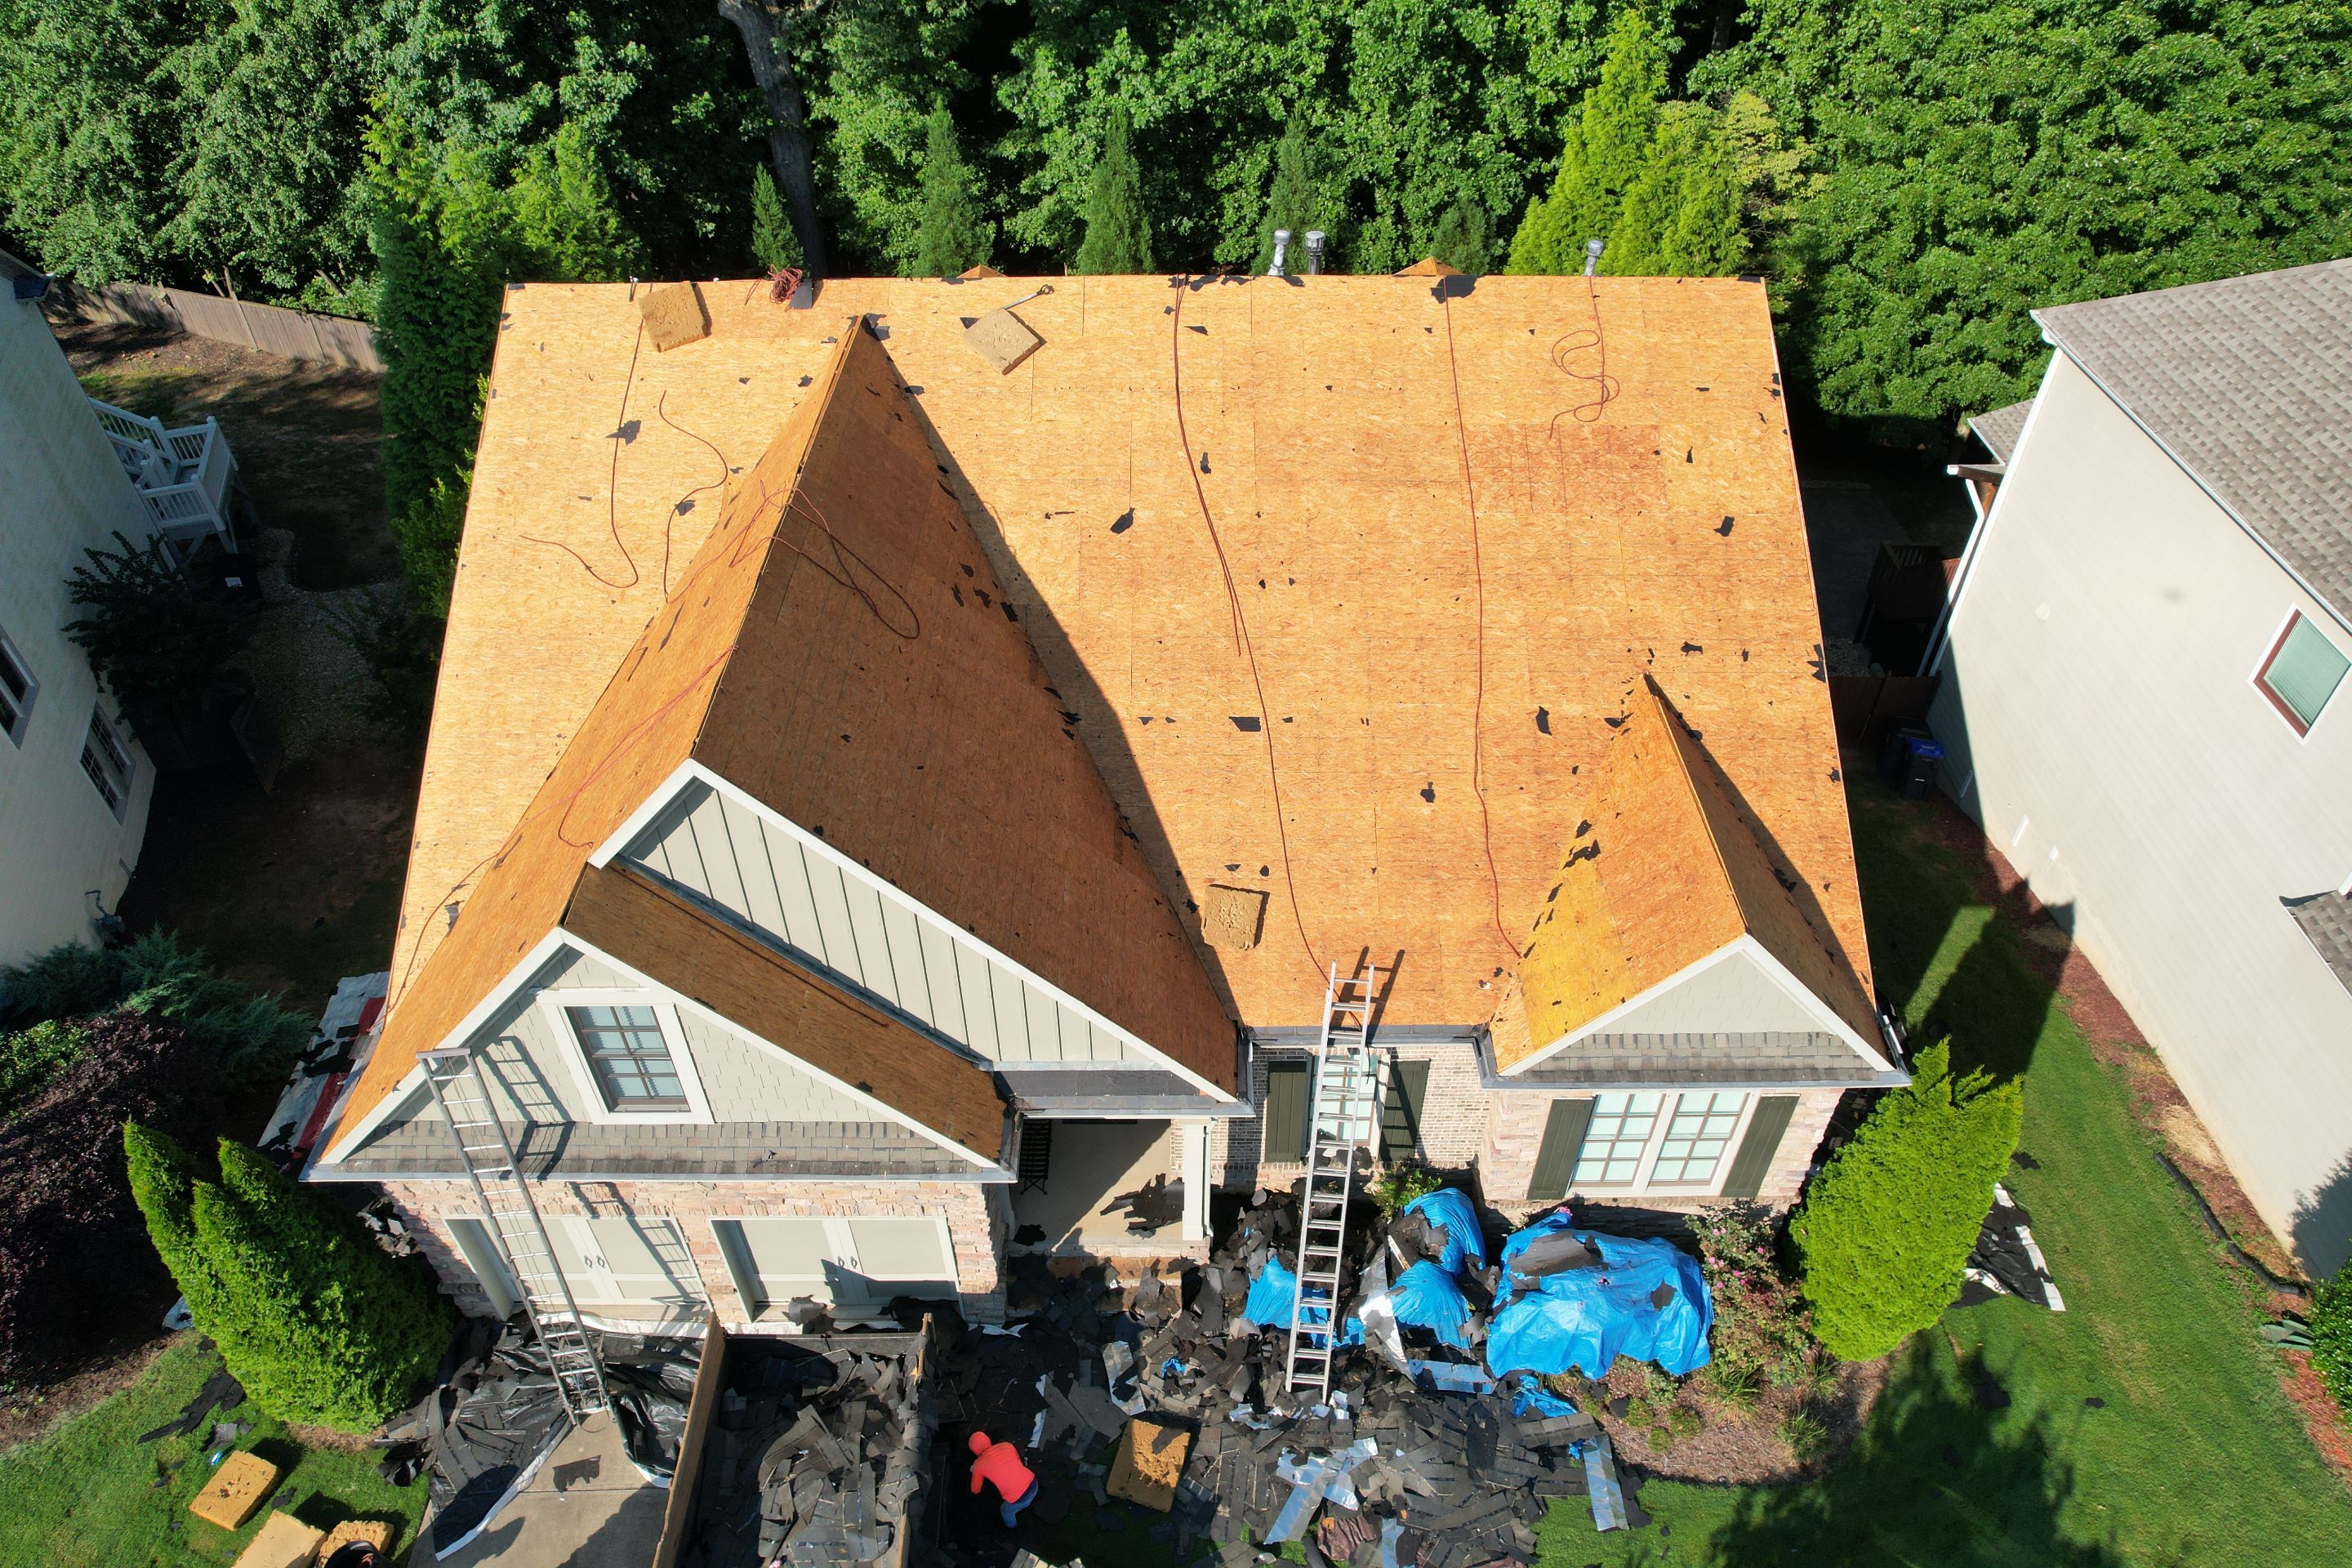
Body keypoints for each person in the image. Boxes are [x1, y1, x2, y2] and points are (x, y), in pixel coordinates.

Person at [968, 1429, 1038, 1527]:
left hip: (1020, 1499)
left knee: (1005, 1511)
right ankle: (1029, 1502)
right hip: (1034, 1484)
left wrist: (976, 1470)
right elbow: (1018, 1461)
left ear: (974, 1450)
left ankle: (1012, 1528)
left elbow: (975, 1490)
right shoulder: (1006, 1445)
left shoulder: (978, 1465)